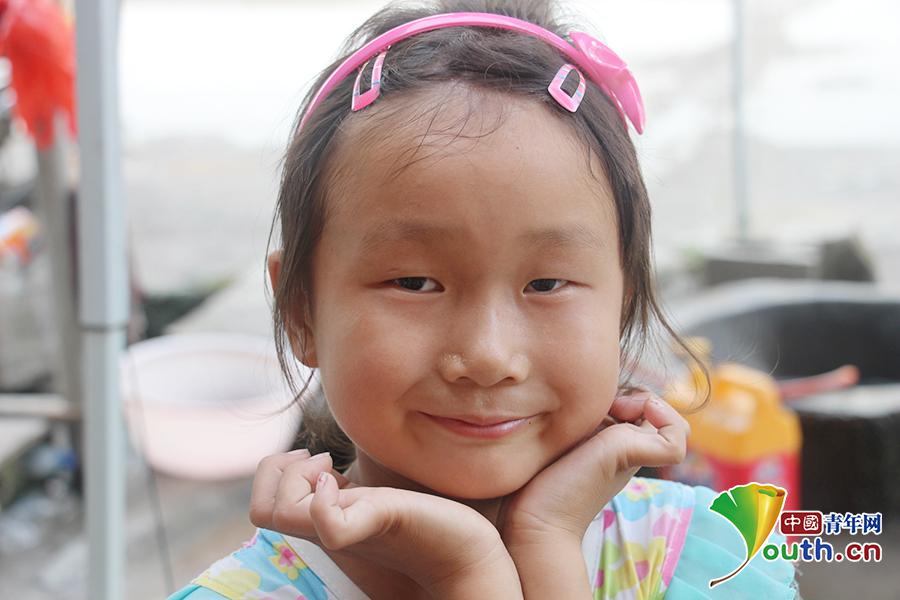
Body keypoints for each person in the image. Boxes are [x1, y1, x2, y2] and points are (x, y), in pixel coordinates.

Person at [169, 0, 799, 598]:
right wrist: (469, 573)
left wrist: (545, 542)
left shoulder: (705, 553)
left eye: (546, 284)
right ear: (300, 311)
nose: (488, 355)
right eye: (414, 283)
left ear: (623, 302)